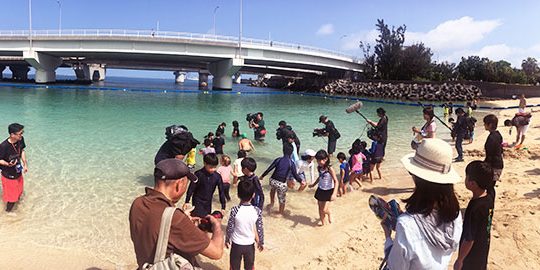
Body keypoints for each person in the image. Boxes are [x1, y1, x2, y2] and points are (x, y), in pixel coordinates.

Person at [383, 138, 462, 269]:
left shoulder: (407, 224)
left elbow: (395, 266)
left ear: (417, 177)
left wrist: (388, 238)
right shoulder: (455, 214)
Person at [129, 159, 224, 268]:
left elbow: (155, 230)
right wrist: (217, 225)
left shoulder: (137, 203)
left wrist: (181, 218)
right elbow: (216, 252)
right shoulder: (176, 219)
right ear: (179, 184)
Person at [454, 161, 495, 270]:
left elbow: (469, 239)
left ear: (472, 184)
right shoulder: (490, 195)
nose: (465, 179)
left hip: (472, 253)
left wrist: (460, 259)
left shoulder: (474, 208)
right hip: (484, 245)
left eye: (466, 177)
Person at [225, 180, 264, 270]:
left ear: (238, 195)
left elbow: (230, 227)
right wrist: (260, 242)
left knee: (234, 267)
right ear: (253, 195)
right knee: (249, 267)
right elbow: (259, 228)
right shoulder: (257, 211)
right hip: (249, 245)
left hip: (236, 245)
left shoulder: (234, 210)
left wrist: (227, 240)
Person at [261, 144, 304, 215]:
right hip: (281, 184)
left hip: (272, 181)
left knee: (272, 190)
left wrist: (262, 176)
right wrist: (301, 181)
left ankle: (271, 203)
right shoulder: (291, 163)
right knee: (282, 199)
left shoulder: (278, 159)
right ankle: (280, 213)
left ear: (283, 151)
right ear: (292, 152)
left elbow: (269, 169)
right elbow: (295, 175)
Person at [185, 153, 226, 218]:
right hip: (197, 201)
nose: (213, 169)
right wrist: (187, 201)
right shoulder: (198, 174)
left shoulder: (217, 176)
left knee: (206, 220)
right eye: (211, 167)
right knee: (197, 218)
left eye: (215, 167)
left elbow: (221, 191)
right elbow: (191, 188)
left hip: (208, 201)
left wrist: (223, 206)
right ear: (205, 163)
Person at [0, 123, 28, 213]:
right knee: (12, 199)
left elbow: (22, 150)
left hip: (18, 171)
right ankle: (8, 212)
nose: (22, 135)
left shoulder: (20, 140)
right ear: (12, 135)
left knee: (19, 193)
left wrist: (25, 164)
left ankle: (16, 207)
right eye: (20, 133)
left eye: (22, 132)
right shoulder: (3, 146)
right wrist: (8, 164)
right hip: (8, 175)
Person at [309, 150, 338, 226]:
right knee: (320, 208)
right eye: (318, 160)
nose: (319, 162)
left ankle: (329, 214)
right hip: (320, 189)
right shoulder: (319, 168)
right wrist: (313, 184)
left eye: (321, 160)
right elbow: (320, 177)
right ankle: (323, 223)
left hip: (328, 190)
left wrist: (334, 193)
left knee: (324, 209)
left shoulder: (329, 169)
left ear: (326, 159)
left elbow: (336, 181)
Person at [483, 114, 503, 200]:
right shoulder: (498, 134)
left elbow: (490, 154)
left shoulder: (492, 138)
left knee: (489, 187)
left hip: (494, 165)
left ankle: (489, 207)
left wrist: (485, 166)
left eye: (485, 123)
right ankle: (490, 205)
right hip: (498, 163)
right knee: (490, 186)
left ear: (490, 125)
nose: (484, 125)